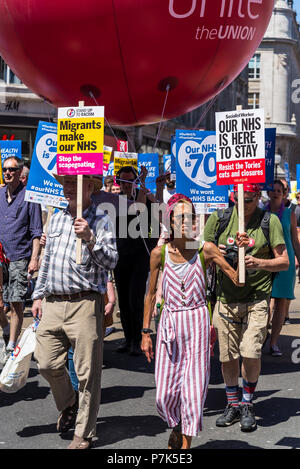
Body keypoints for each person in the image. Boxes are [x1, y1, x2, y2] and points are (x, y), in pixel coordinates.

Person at [141, 194, 247, 450]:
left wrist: (242, 253)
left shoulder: (206, 250)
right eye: (181, 217)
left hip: (198, 321)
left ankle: (185, 445)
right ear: (170, 222)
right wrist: (145, 331)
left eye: (191, 217)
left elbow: (238, 280)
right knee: (165, 393)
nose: (187, 222)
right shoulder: (159, 254)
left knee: (193, 390)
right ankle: (176, 425)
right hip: (170, 323)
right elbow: (151, 293)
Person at [31, 174, 118, 450]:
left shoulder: (102, 218)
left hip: (85, 303)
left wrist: (91, 238)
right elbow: (47, 262)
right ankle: (69, 403)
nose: (69, 188)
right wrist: (38, 294)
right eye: (66, 183)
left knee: (87, 373)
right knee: (45, 361)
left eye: (76, 183)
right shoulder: (56, 218)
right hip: (54, 302)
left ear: (90, 186)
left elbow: (111, 260)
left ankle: (83, 433)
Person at [204, 183, 289, 432]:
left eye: (249, 200)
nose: (244, 205)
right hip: (225, 298)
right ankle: (232, 404)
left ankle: (248, 402)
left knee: (251, 351)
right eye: (239, 200)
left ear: (257, 198)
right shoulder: (219, 218)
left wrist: (258, 262)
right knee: (227, 355)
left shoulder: (269, 221)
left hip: (257, 298)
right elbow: (202, 251)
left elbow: (283, 262)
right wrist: (217, 253)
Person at [113, 165, 164, 356]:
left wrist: (153, 188)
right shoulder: (116, 200)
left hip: (140, 257)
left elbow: (158, 211)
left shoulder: (144, 195)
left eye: (130, 181)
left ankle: (137, 338)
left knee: (135, 298)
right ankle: (128, 339)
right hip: (120, 257)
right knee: (124, 300)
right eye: (123, 182)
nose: (126, 186)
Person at [0, 156, 42, 363]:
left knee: (16, 302)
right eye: (5, 169)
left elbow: (36, 231)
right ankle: (6, 328)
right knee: (1, 301)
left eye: (12, 169)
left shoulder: (30, 197)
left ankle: (11, 343)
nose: (7, 173)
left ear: (20, 173)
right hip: (1, 256)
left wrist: (34, 258)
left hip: (20, 256)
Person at [266, 180, 300, 356]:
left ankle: (274, 342)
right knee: (265, 302)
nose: (276, 193)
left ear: (285, 193)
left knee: (281, 302)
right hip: (265, 262)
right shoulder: (261, 213)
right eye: (273, 190)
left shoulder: (290, 214)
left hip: (285, 263)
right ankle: (263, 333)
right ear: (268, 193)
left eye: (280, 190)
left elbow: (294, 241)